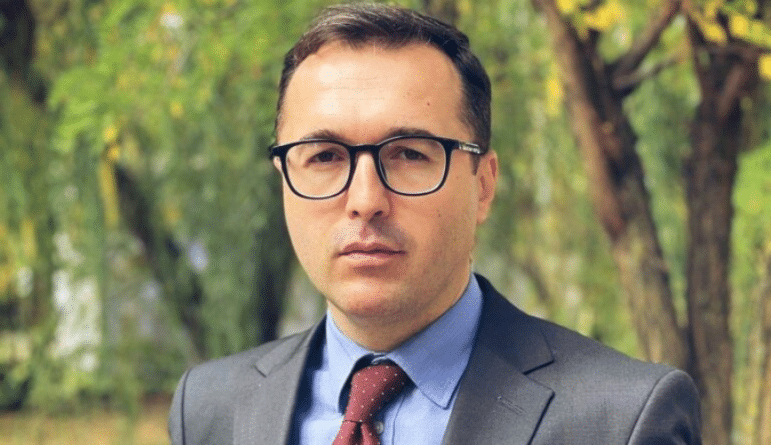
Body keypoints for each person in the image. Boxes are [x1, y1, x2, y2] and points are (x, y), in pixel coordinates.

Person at [168, 3, 702, 444]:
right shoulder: (210, 410)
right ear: (285, 180)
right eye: (325, 156)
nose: (365, 201)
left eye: (409, 154)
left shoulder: (620, 421)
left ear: (483, 186)